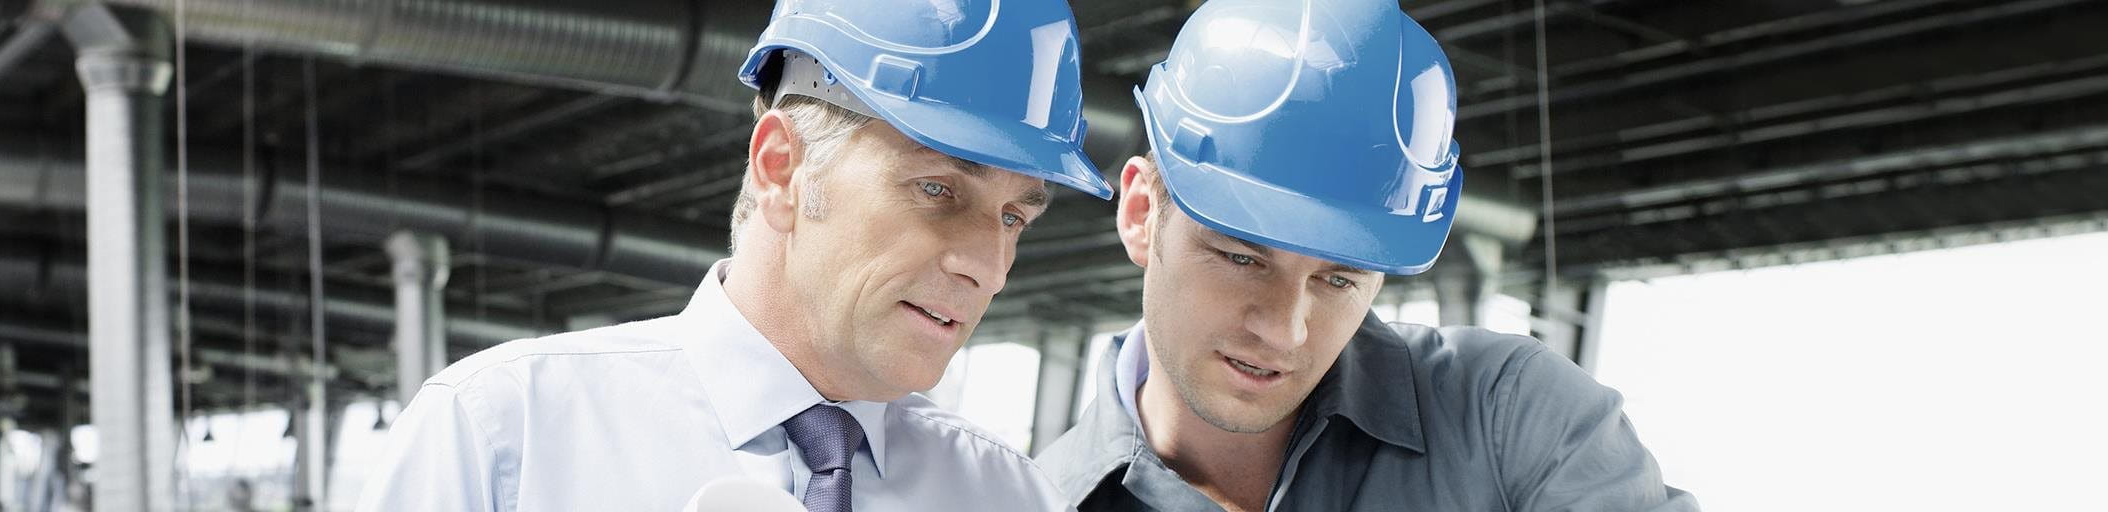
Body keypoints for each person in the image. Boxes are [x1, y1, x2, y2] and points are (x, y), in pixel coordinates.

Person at [360, 0, 1113, 510]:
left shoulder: (1002, 495)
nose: (988, 264)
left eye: (1016, 216)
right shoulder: (505, 437)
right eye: (938, 191)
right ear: (781, 168)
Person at [1031, 1, 1698, 510]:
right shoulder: (1035, 499)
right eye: (1242, 258)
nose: (1285, 330)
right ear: (1143, 216)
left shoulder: (1513, 419)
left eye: (1340, 277)